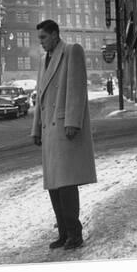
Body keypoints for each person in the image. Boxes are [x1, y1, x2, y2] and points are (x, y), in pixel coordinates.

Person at [31, 20, 97, 250]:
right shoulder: (43, 60)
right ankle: (63, 233)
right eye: (39, 38)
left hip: (64, 128)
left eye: (43, 37)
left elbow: (77, 88)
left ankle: (75, 234)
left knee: (66, 185)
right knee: (54, 186)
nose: (40, 42)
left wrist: (72, 123)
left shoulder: (71, 51)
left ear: (55, 34)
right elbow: (40, 96)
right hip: (49, 131)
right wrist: (36, 128)